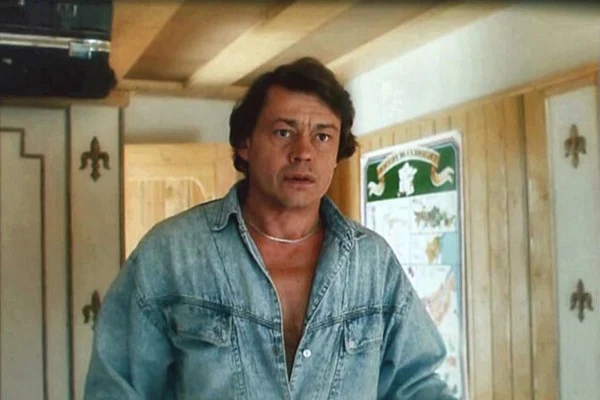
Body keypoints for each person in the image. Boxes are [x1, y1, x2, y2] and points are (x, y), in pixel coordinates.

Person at [84, 57, 456, 399]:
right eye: (283, 132)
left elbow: (417, 386)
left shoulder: (373, 263)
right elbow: (116, 389)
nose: (303, 152)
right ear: (245, 144)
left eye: (322, 136)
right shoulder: (171, 253)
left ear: (336, 152)